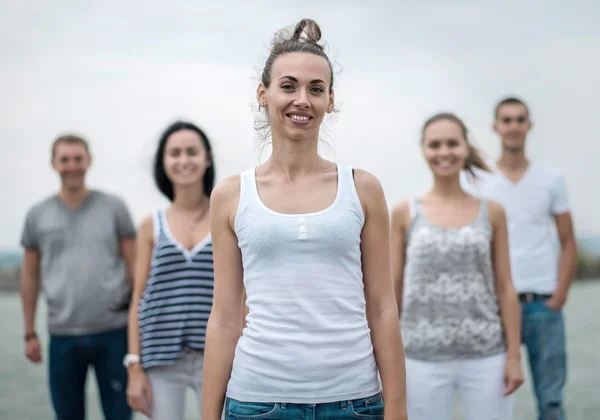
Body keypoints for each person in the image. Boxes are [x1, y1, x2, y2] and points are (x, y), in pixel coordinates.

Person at [202, 18, 407, 420]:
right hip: (256, 402)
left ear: (330, 99)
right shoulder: (230, 195)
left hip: (355, 403)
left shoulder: (362, 189)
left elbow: (382, 306)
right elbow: (225, 315)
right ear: (263, 94)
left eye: (316, 89)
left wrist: (397, 409)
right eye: (288, 85)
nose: (302, 100)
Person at [391, 113, 525, 420]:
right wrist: (387, 358)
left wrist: (514, 356)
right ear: (424, 150)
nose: (444, 152)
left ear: (465, 148)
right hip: (419, 358)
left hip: (487, 356)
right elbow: (392, 289)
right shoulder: (404, 212)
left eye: (452, 143)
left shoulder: (492, 212)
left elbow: (505, 287)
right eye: (434, 144)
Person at [461, 98, 578, 420]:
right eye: (507, 120)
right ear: (496, 127)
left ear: (529, 125)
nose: (513, 126)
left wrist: (560, 295)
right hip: (495, 306)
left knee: (551, 401)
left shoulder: (551, 178)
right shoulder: (478, 181)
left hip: (543, 304)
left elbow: (568, 241)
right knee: (492, 400)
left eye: (519, 120)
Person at [20, 134, 136, 420]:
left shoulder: (114, 207)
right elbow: (30, 276)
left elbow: (136, 270)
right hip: (62, 335)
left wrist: (139, 331)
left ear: (89, 161)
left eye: (77, 159)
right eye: (65, 159)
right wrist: (29, 333)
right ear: (53, 164)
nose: (72, 165)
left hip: (114, 332)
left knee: (120, 415)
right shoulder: (37, 215)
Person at [125, 121, 216, 419]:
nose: (184, 160)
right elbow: (138, 299)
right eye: (174, 153)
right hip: (160, 358)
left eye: (192, 152)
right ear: (163, 163)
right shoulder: (151, 225)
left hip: (217, 357)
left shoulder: (226, 218)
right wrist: (134, 367)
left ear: (207, 158)